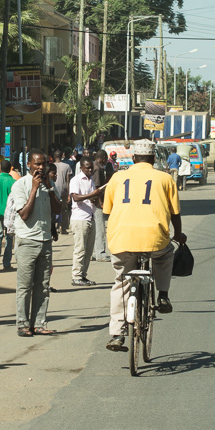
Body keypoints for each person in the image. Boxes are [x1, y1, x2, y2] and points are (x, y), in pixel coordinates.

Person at [104, 140, 185, 352]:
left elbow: (107, 211)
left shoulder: (117, 177)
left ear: (133, 158)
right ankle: (163, 295)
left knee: (121, 281)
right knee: (165, 255)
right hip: (154, 238)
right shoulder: (165, 178)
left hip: (122, 239)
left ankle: (117, 334)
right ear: (153, 158)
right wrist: (178, 235)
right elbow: (175, 213)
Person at [11, 149, 61, 337]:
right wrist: (34, 188)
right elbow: (24, 214)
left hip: (45, 240)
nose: (40, 168)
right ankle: (23, 324)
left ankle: (39, 323)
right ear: (29, 165)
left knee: (43, 285)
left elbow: (57, 209)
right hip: (27, 241)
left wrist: (48, 187)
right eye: (37, 164)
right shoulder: (20, 185)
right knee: (25, 286)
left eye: (43, 164)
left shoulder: (49, 184)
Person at [68, 156, 103, 286]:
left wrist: (96, 198)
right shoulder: (75, 180)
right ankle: (76, 276)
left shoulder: (91, 180)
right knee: (80, 249)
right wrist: (92, 195)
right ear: (81, 167)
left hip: (90, 216)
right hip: (80, 219)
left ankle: (83, 275)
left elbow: (91, 199)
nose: (90, 170)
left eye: (91, 168)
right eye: (87, 168)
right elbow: (76, 197)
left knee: (88, 250)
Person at [92, 150, 113, 263]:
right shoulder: (97, 169)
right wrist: (100, 202)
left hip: (93, 202)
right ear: (103, 158)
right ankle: (100, 253)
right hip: (97, 202)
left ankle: (94, 252)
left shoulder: (95, 166)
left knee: (95, 228)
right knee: (100, 228)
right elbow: (97, 188)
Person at [52, 149, 73, 236]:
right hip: (63, 191)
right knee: (64, 209)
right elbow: (68, 181)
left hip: (53, 191)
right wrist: (69, 194)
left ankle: (55, 227)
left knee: (54, 209)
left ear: (54, 157)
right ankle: (63, 228)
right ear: (62, 156)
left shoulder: (51, 166)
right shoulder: (66, 166)